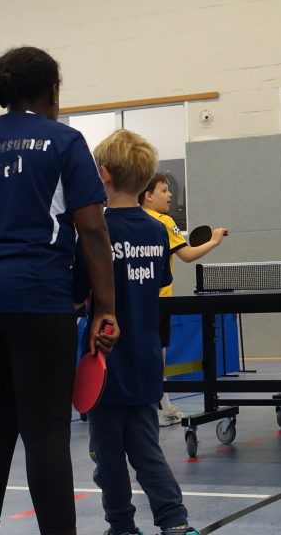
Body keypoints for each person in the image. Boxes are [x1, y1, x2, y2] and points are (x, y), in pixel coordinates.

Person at [0, 46, 118, 535]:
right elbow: (94, 230)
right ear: (52, 92)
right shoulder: (64, 141)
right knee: (45, 433)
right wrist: (105, 307)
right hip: (39, 298)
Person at [77, 129, 198, 534]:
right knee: (147, 451)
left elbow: (79, 295)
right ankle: (174, 521)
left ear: (104, 174)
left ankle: (121, 527)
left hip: (105, 363)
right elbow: (159, 278)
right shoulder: (157, 230)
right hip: (147, 360)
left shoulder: (94, 231)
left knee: (108, 456)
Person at [139, 174, 226, 425]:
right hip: (160, 300)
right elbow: (187, 255)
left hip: (137, 299)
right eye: (164, 190)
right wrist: (214, 241)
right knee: (159, 356)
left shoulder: (135, 218)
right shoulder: (164, 222)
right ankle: (158, 408)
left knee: (146, 355)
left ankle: (161, 406)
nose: (170, 195)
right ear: (148, 195)